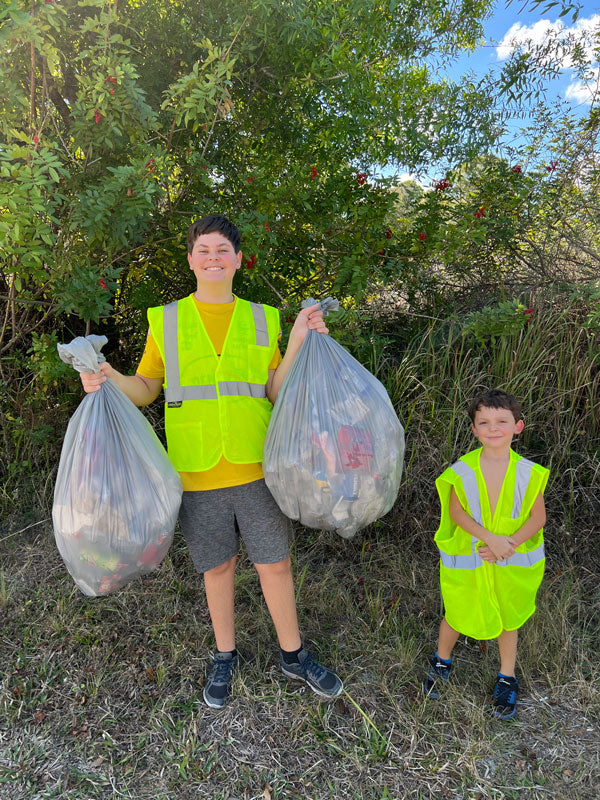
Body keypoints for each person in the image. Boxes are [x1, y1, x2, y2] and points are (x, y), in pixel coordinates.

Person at [81, 214, 343, 708]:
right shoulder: (167, 320)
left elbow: (273, 389)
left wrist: (300, 346)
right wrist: (107, 375)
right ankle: (225, 655)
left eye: (223, 249)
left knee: (275, 565)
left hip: (256, 466)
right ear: (190, 259)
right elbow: (145, 391)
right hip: (196, 470)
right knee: (217, 568)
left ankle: (294, 655)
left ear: (238, 259)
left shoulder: (264, 318)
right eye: (204, 249)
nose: (214, 257)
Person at [423, 389, 549, 719]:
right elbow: (457, 512)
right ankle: (441, 661)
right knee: (456, 612)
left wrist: (509, 544)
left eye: (502, 421)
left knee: (508, 619)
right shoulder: (463, 470)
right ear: (474, 430)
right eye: (485, 422)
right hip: (472, 561)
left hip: (510, 563)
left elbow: (538, 517)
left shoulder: (528, 472)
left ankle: (507, 678)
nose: (494, 428)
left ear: (517, 427)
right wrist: (490, 539)